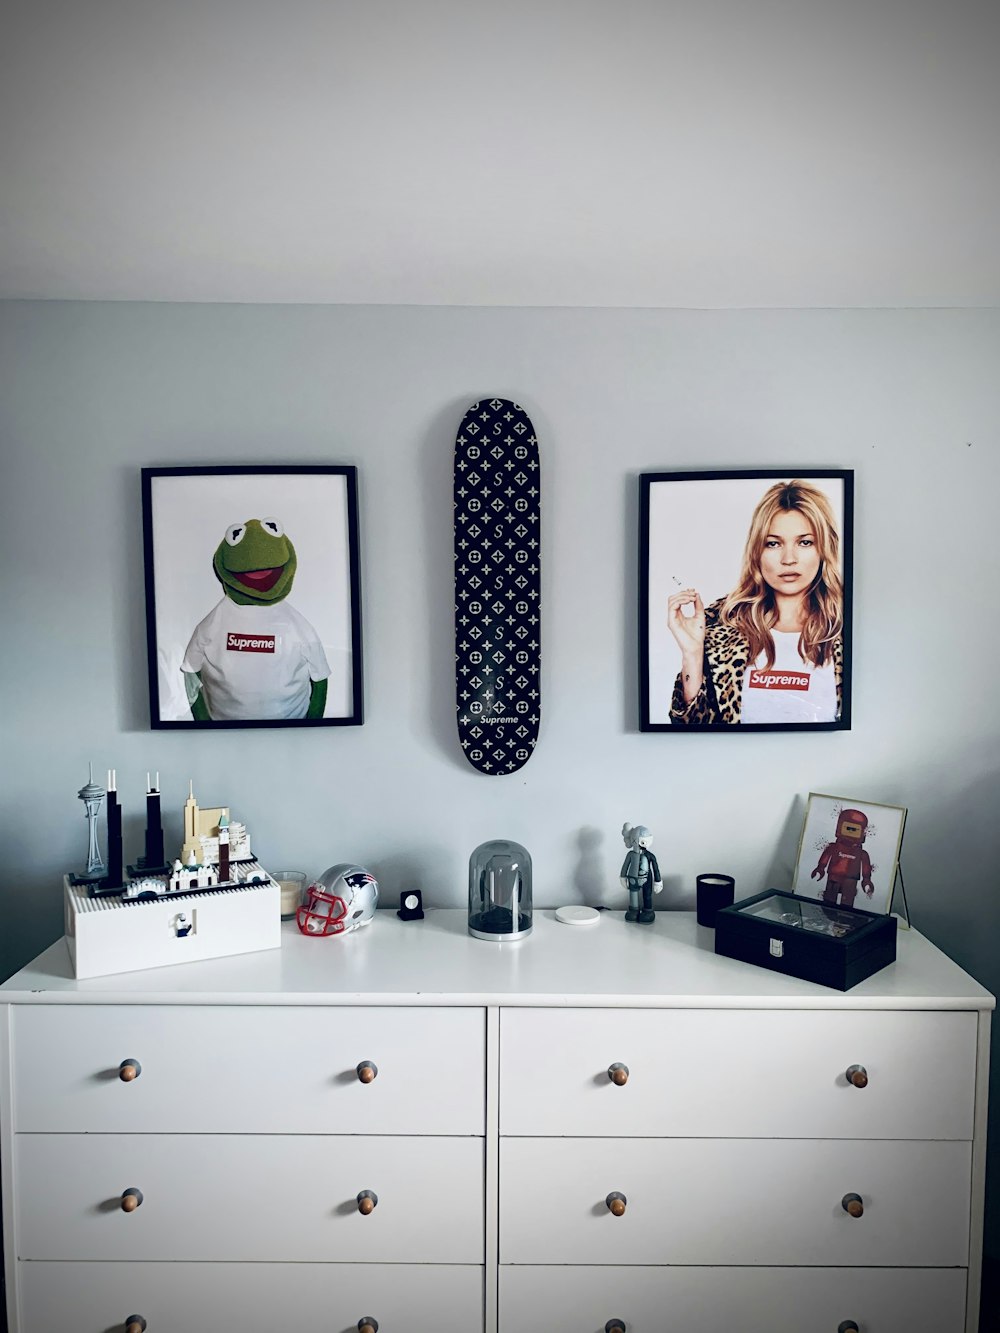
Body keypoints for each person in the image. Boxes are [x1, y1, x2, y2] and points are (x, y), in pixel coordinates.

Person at [666, 479, 843, 725]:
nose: (788, 559)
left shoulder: (851, 625)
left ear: (824, 548)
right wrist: (692, 655)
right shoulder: (720, 623)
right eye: (773, 543)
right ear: (757, 551)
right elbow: (691, 734)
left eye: (805, 542)